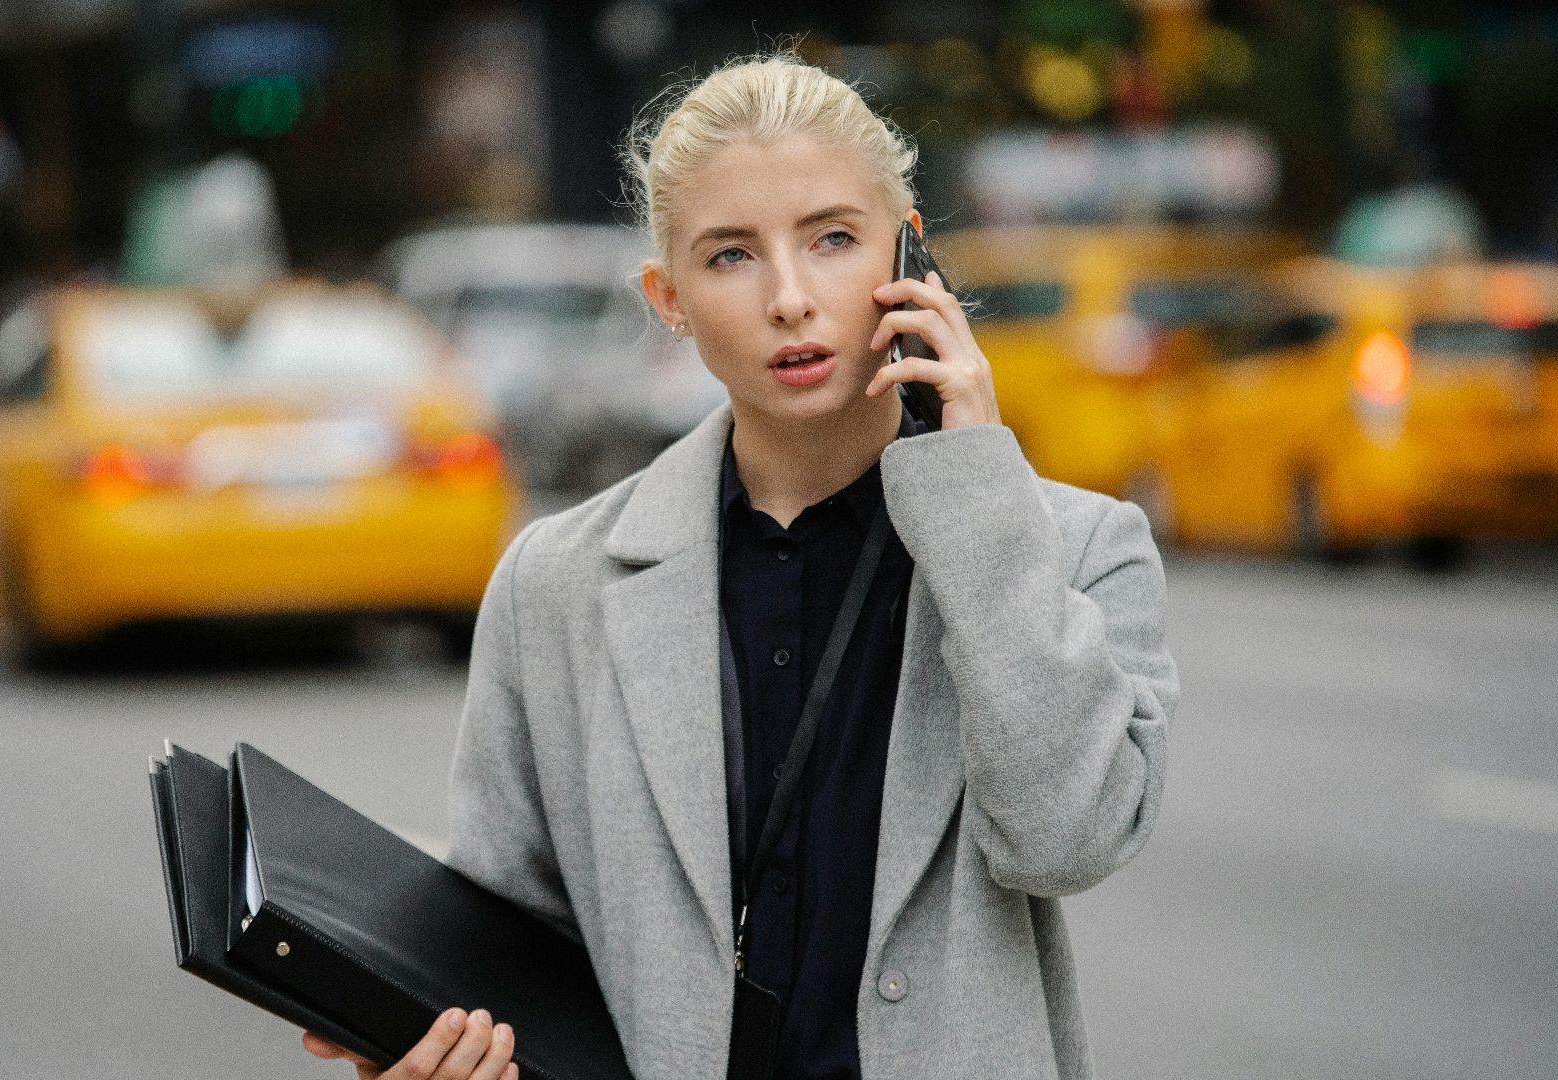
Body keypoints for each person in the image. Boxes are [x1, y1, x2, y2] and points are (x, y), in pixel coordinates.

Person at [303, 51, 1176, 1080]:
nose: (791, 298)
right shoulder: (558, 581)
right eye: (731, 257)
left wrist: (975, 490)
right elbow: (513, 938)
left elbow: (1065, 840)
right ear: (667, 298)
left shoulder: (1077, 549)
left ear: (912, 253)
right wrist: (432, 1036)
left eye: (835, 240)